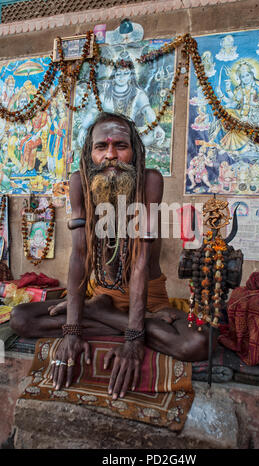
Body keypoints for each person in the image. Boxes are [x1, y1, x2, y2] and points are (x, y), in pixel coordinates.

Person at [10, 112, 211, 400]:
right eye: (101, 147)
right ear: (90, 152)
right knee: (20, 318)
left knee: (196, 345)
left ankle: (100, 313)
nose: (110, 156)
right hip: (100, 294)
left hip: (149, 303)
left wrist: (133, 338)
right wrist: (71, 331)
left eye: (120, 146)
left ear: (135, 151)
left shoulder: (150, 182)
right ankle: (104, 312)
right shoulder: (80, 183)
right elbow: (79, 257)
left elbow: (140, 261)